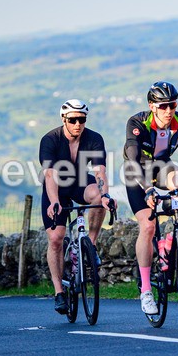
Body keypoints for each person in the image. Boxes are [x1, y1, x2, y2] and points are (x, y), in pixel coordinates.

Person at [123, 81, 178, 315]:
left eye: (172, 105)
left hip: (163, 166)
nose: (168, 110)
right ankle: (145, 290)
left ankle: (177, 239)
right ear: (152, 106)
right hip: (137, 172)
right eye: (163, 106)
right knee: (148, 226)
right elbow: (133, 161)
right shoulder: (137, 123)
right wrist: (147, 189)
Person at [39, 99, 113, 314]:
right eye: (73, 120)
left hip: (80, 182)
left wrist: (105, 195)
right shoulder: (50, 140)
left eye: (82, 119)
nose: (78, 124)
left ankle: (91, 244)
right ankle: (59, 292)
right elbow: (50, 175)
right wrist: (54, 201)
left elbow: (100, 172)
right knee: (56, 239)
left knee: (98, 197)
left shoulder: (94, 138)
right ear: (64, 119)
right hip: (57, 187)